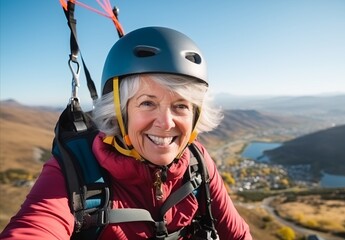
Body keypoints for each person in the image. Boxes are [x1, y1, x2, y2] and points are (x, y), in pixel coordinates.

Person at [0, 26, 252, 239]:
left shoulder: (198, 164)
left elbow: (238, 234)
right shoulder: (73, 172)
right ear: (119, 112)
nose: (166, 123)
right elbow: (35, 227)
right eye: (147, 103)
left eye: (181, 106)